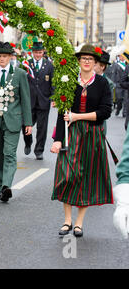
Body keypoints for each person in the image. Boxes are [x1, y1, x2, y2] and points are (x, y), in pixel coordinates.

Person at [50, 44, 113, 238]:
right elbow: (62, 112)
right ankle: (67, 220)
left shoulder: (102, 84)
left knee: (86, 179)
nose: (86, 62)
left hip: (93, 135)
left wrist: (78, 116)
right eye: (83, 58)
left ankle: (78, 223)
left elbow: (105, 112)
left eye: (90, 59)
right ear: (79, 61)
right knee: (67, 175)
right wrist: (58, 139)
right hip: (71, 134)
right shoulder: (68, 83)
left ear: (96, 63)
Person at [0, 42, 32, 202]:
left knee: (9, 154)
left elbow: (26, 99)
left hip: (13, 120)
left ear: (11, 57)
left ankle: (6, 186)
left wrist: (28, 123)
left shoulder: (20, 74)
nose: (2, 59)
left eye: (5, 56)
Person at [22, 41, 54, 160]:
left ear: (43, 52)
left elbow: (53, 82)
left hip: (43, 101)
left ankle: (39, 150)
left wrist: (53, 97)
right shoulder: (26, 64)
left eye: (40, 52)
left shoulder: (49, 65)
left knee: (42, 128)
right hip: (29, 101)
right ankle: (28, 142)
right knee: (25, 124)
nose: (38, 55)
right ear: (32, 52)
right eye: (36, 52)